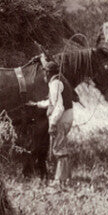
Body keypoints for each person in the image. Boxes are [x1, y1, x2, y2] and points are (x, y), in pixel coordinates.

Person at [30, 57, 76, 186]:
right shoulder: (59, 82)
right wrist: (36, 104)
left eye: (45, 72)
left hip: (61, 119)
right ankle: (66, 178)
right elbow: (52, 103)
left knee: (58, 148)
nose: (44, 74)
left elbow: (59, 107)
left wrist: (53, 123)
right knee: (61, 147)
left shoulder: (55, 84)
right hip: (67, 117)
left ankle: (59, 180)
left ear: (49, 73)